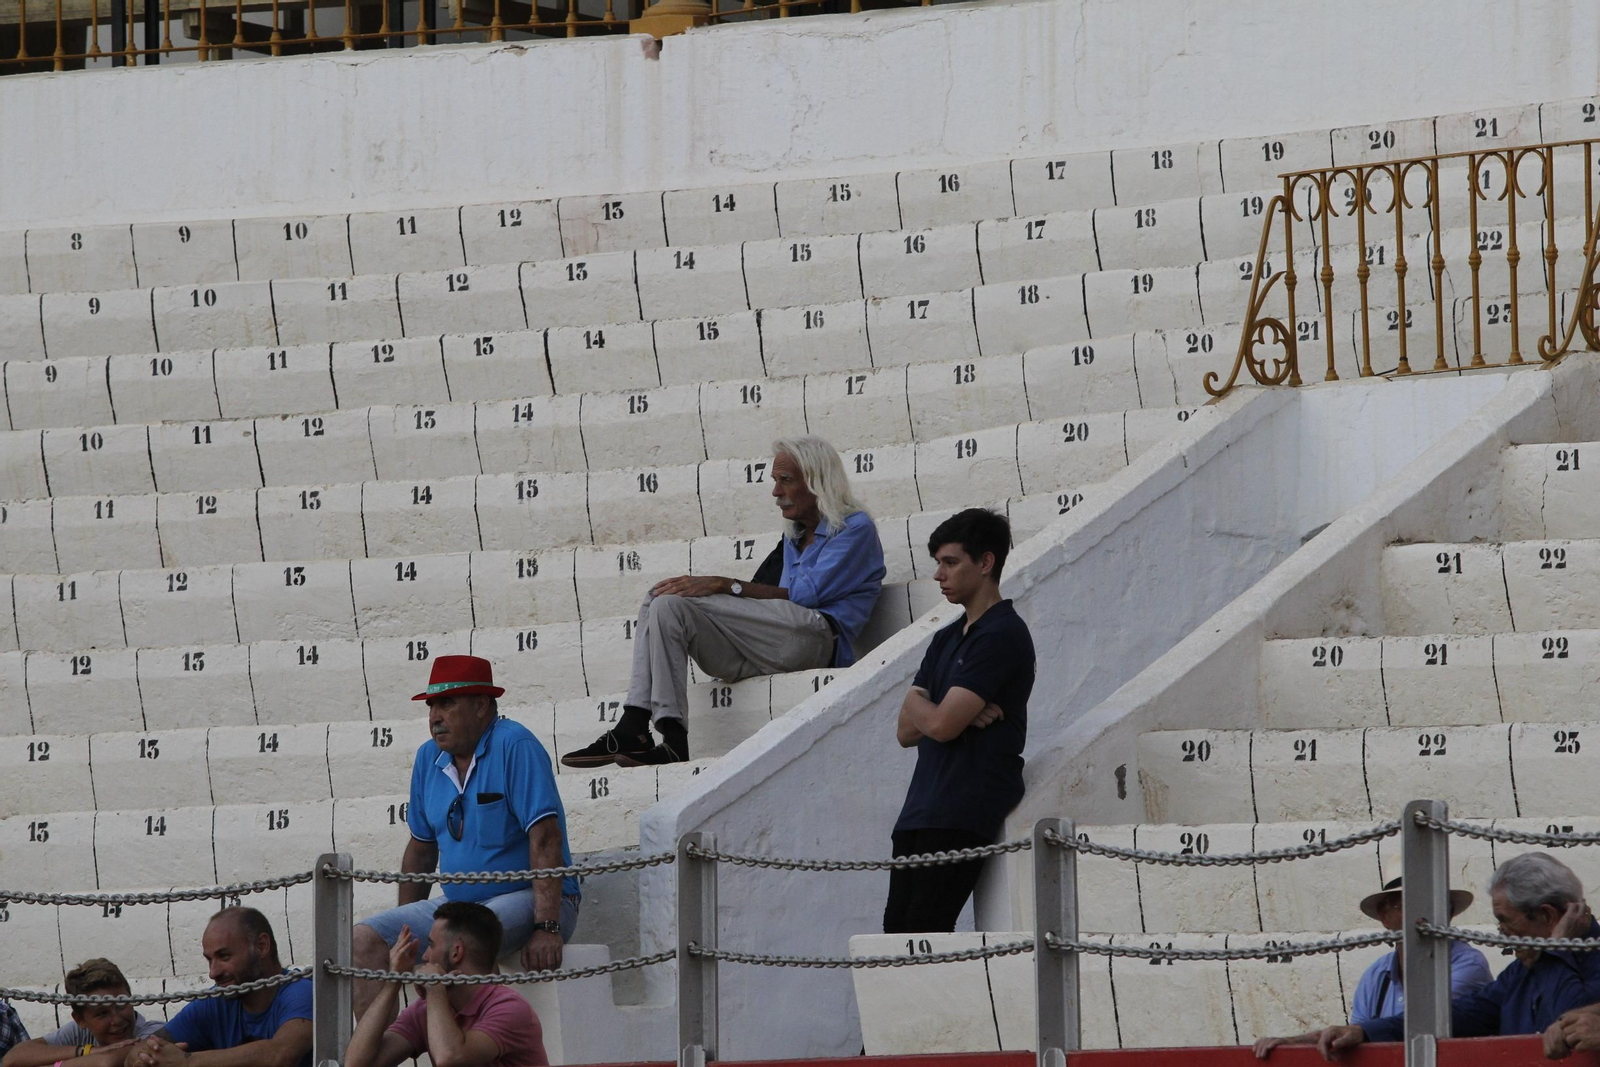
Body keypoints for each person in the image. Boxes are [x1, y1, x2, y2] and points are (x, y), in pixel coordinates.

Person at [562, 434, 886, 768]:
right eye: (775, 482)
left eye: (785, 481)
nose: (776, 492)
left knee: (672, 597)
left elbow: (805, 596)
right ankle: (669, 735)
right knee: (663, 601)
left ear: (817, 481)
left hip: (816, 640)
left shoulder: (855, 527)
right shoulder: (795, 534)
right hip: (767, 645)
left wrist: (723, 584)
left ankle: (633, 724)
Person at [352, 655, 580, 1021]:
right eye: (431, 706)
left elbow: (546, 839)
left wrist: (547, 927)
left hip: (529, 899)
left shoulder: (515, 744)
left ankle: (462, 1052)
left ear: (480, 706)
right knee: (363, 941)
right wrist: (404, 937)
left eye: (447, 703)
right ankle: (381, 1053)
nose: (435, 717)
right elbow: (421, 851)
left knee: (457, 943)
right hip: (459, 907)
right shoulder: (428, 758)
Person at [884, 508, 1033, 934]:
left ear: (986, 563)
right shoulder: (946, 637)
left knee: (924, 937)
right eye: (938, 563)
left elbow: (941, 726)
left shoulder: (1002, 633)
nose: (938, 575)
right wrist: (923, 701)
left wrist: (928, 705)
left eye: (950, 562)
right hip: (920, 811)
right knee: (897, 941)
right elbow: (906, 732)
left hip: (964, 808)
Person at [1308, 852, 1600, 1061]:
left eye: (1506, 921)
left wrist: (1556, 949)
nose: (1502, 933)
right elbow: (1462, 1015)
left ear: (1548, 916)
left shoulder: (1569, 959)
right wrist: (1366, 1031)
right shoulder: (1522, 970)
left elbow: (1568, 1032)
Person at [1251, 877, 1491, 1057]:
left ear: (1447, 913)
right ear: (1384, 916)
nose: (1421, 917)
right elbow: (1358, 1034)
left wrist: (1307, 1039)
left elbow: (1425, 1024)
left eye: (1430, 904)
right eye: (1406, 905)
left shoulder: (1468, 964)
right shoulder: (1377, 973)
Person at [346, 902, 548, 1067]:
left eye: (431, 944)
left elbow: (450, 1058)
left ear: (456, 952)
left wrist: (435, 990)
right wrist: (393, 982)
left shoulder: (509, 1008)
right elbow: (357, 1064)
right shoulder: (429, 1008)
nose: (424, 956)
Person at [124, 906, 312, 1067]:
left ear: (261, 946)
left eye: (224, 956)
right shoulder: (216, 1001)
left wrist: (186, 1062)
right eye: (209, 960)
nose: (213, 973)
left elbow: (280, 1055)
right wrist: (149, 1057)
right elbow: (136, 1053)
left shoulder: (301, 992)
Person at [2, 959, 164, 1067]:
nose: (117, 1020)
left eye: (122, 1005)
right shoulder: (79, 1034)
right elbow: (12, 1058)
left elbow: (107, 1063)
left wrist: (59, 1063)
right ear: (80, 1020)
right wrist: (88, 1051)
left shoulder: (154, 1032)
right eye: (102, 1013)